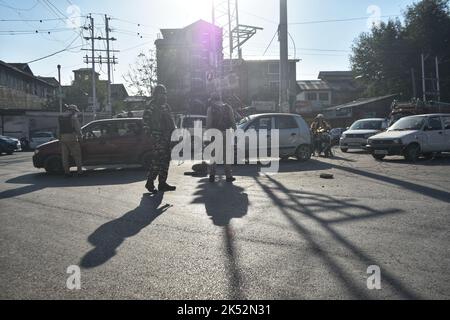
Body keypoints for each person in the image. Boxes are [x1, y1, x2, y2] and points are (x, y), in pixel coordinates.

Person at [143, 85, 177, 194]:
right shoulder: (151, 106)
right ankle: (149, 182)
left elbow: (171, 121)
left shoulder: (166, 106)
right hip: (158, 137)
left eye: (165, 93)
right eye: (162, 93)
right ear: (156, 94)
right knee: (157, 161)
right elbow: (145, 122)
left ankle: (162, 183)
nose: (164, 95)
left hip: (167, 137)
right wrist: (152, 136)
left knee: (166, 161)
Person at [206, 93, 237, 183]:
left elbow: (208, 123)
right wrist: (235, 131)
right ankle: (228, 176)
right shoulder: (228, 107)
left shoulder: (210, 109)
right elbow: (233, 122)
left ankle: (212, 175)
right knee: (227, 155)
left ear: (212, 99)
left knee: (213, 155)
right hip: (226, 133)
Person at [58, 104, 83, 177]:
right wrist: (80, 137)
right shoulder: (73, 117)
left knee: (65, 157)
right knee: (77, 155)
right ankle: (80, 172)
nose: (76, 112)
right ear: (73, 110)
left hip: (63, 138)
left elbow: (59, 129)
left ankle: (67, 172)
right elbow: (78, 129)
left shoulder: (61, 117)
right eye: (75, 111)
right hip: (72, 137)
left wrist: (59, 138)